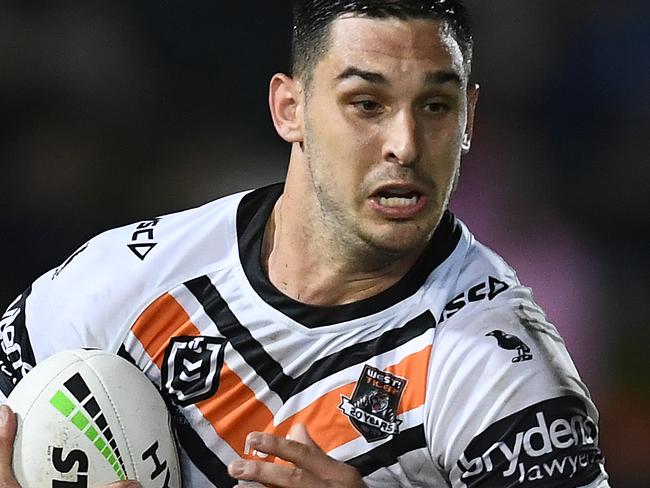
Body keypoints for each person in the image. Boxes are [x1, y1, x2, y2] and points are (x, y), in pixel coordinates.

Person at [0, 1, 610, 487]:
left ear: (469, 120)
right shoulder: (127, 281)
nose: (405, 143)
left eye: (436, 106)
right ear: (289, 108)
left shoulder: (500, 373)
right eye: (366, 103)